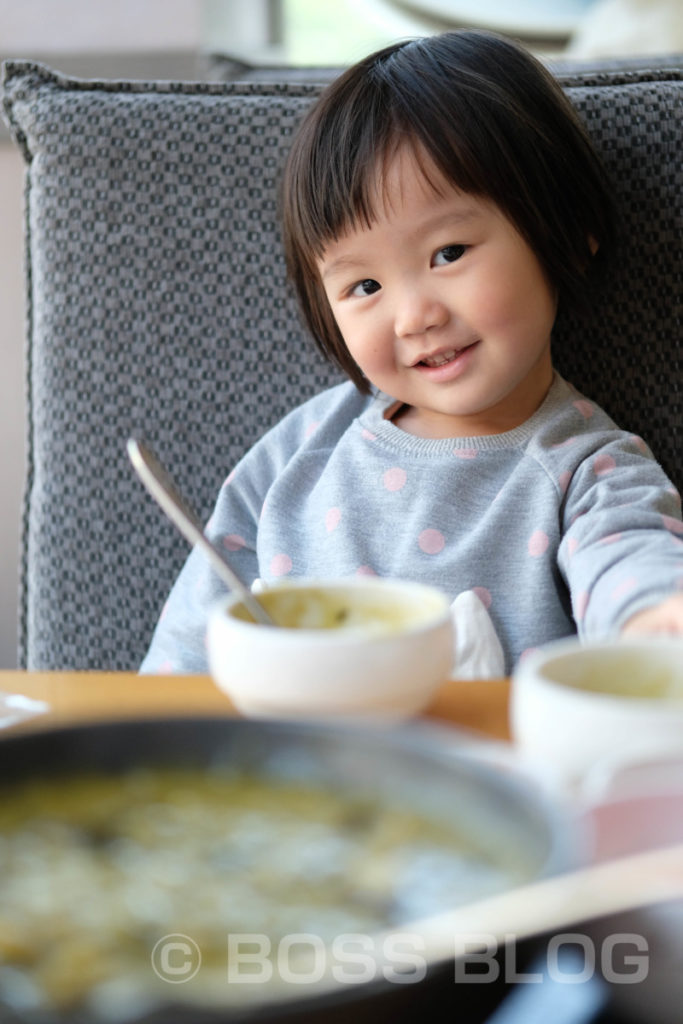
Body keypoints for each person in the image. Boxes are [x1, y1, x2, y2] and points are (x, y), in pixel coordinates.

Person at [140, 30, 683, 677]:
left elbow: (633, 568)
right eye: (363, 286)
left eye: (448, 253)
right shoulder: (300, 452)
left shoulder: (585, 472)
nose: (414, 316)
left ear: (566, 231)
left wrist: (652, 621)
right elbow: (189, 647)